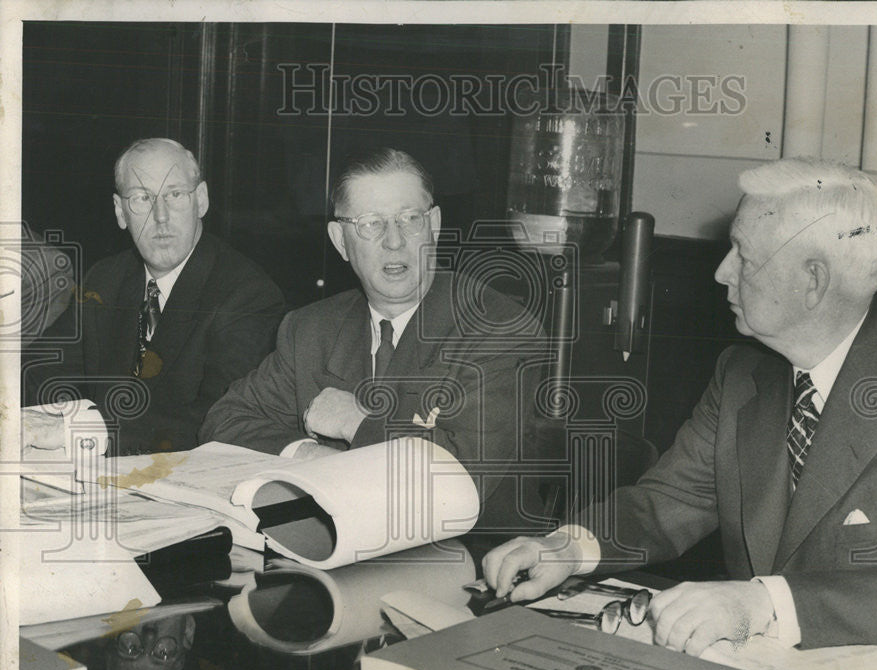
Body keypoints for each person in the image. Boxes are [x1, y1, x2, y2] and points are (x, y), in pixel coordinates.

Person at [484, 158, 877, 653]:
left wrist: (762, 604)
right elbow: (669, 502)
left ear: (813, 282)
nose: (721, 273)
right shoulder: (744, 373)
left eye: (743, 254)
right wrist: (566, 549)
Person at [200, 147, 548, 539]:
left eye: (409, 219)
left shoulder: (497, 327)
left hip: (471, 563)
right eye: (371, 224)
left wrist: (357, 422)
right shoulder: (310, 329)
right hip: (335, 553)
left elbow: (456, 483)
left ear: (433, 224)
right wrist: (314, 457)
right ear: (340, 240)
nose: (394, 241)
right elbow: (224, 420)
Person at [22, 138, 285, 454]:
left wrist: (78, 430)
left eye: (175, 195)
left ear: (200, 200)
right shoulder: (105, 280)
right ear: (121, 212)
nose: (161, 216)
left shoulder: (246, 294)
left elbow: (219, 420)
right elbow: (37, 371)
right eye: (142, 198)